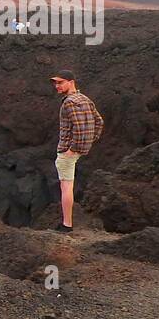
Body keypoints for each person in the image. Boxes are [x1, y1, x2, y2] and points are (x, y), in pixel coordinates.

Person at [49, 69, 104, 232]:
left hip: (68, 151)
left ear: (71, 82)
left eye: (60, 82)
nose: (57, 86)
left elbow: (79, 128)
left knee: (66, 188)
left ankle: (67, 224)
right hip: (78, 150)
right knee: (67, 186)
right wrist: (89, 142)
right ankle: (67, 223)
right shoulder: (85, 99)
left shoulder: (69, 102)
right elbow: (99, 122)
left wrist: (72, 150)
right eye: (55, 83)